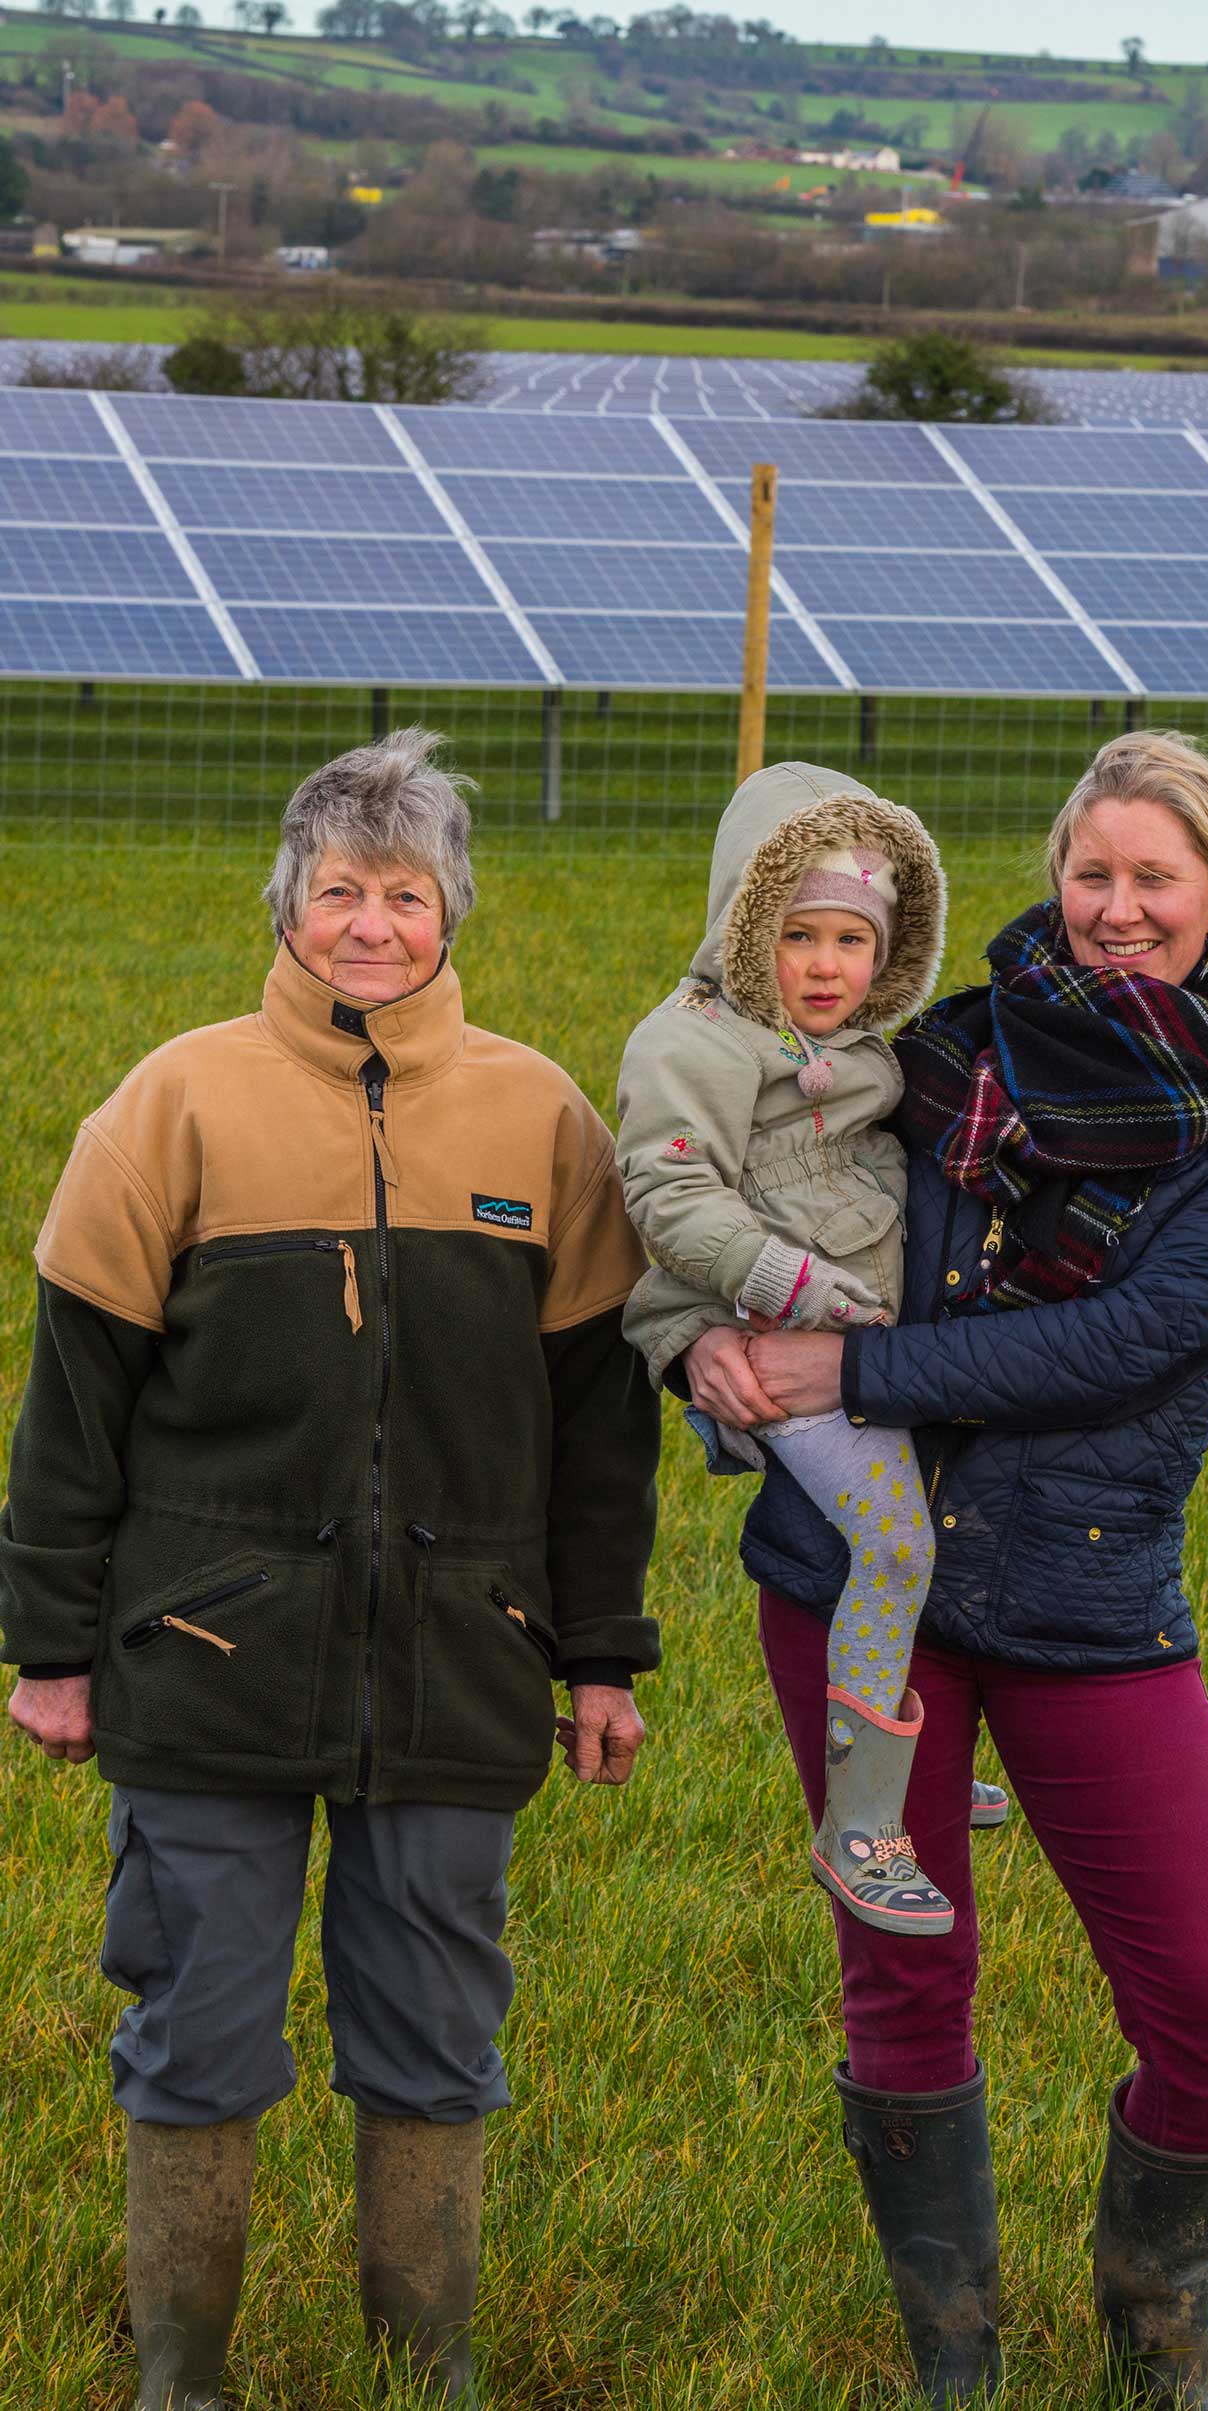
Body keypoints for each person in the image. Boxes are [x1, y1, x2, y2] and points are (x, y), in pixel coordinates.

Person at [0, 728, 660, 2411]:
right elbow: (72, 1413)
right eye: (341, 891)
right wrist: (51, 1645)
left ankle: (421, 2368)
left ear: (454, 913)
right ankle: (182, 2380)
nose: (372, 923)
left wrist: (599, 1655)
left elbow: (598, 1434)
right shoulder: (174, 1101)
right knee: (195, 2026)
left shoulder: (542, 1118)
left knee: (436, 2036)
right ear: (291, 905)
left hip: (463, 1657)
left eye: (407, 892)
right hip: (202, 1653)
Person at [681, 731, 1208, 2409]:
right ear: (1056, 878)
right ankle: (952, 2368)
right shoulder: (941, 1055)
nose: (1114, 909)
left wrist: (855, 1375)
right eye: (1089, 873)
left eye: (1153, 881)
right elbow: (742, 1182)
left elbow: (1134, 1339)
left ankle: (1157, 2351)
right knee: (905, 1969)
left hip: (1087, 1598)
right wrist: (699, 1348)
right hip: (849, 1578)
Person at [616, 759, 965, 1934]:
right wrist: (794, 1286)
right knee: (897, 1542)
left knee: (921, 1526)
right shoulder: (693, 1041)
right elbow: (668, 1197)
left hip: (852, 1349)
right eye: (799, 934)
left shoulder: (867, 1050)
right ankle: (860, 1821)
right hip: (775, 1352)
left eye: (853, 942)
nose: (826, 966)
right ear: (745, 923)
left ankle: (900, 1760)